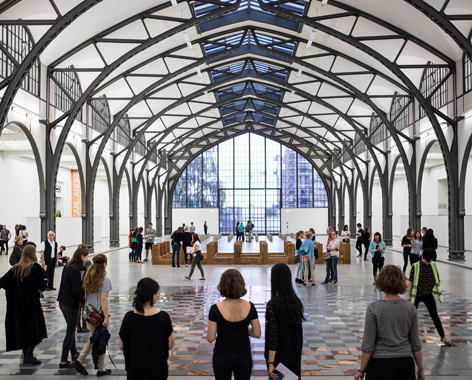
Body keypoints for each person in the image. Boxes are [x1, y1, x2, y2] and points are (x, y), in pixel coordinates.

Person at [354, 265, 425, 380]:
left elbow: (368, 343)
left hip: (379, 363)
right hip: (405, 362)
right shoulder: (410, 308)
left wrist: (361, 370)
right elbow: (415, 342)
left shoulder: (374, 308)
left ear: (380, 282)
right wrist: (421, 370)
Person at [207, 269, 261, 380]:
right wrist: (239, 329)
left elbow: (210, 338)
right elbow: (257, 333)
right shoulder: (250, 306)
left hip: (222, 356)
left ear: (222, 285)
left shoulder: (215, 309)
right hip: (243, 356)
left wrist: (226, 329)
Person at [119, 278, 175, 380]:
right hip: (158, 371)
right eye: (157, 293)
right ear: (153, 296)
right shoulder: (163, 317)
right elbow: (170, 345)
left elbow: (121, 345)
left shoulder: (129, 317)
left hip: (135, 371)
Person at [0, 245, 47, 365]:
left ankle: (26, 354)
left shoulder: (15, 269)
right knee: (33, 329)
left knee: (22, 329)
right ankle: (29, 355)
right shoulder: (35, 268)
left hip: (17, 306)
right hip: (31, 305)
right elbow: (42, 285)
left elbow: (2, 282)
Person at [73, 254, 112, 377]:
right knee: (99, 339)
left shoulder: (88, 276)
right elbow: (103, 299)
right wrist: (106, 317)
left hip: (89, 314)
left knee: (97, 338)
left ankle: (101, 368)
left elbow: (85, 296)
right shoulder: (104, 279)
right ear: (104, 264)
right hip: (99, 315)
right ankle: (81, 360)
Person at [265, 264, 304, 379]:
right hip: (294, 356)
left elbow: (273, 336)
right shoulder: (296, 302)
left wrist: (271, 363)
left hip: (279, 358)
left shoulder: (273, 304)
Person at [407, 248, 451, 346]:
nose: (429, 262)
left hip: (428, 294)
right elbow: (410, 281)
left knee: (434, 316)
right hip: (416, 296)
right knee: (411, 317)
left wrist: (439, 295)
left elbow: (437, 279)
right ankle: (406, 338)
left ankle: (443, 337)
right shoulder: (416, 266)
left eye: (430, 260)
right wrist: (408, 295)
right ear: (423, 257)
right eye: (427, 260)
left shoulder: (433, 265)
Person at [57, 247, 89, 369]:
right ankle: (63, 361)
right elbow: (76, 291)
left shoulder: (68, 266)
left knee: (71, 330)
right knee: (70, 332)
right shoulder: (75, 270)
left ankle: (75, 354)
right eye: (86, 257)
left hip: (62, 302)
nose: (86, 260)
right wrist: (84, 301)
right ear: (82, 256)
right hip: (71, 304)